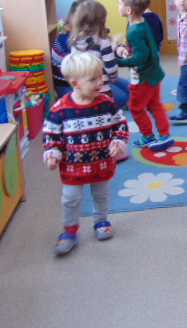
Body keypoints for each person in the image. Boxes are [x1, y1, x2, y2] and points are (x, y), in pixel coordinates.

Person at [43, 52, 129, 256]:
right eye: (93, 79)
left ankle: (101, 221)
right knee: (70, 199)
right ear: (75, 83)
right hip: (72, 167)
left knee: (101, 194)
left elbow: (120, 125)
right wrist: (52, 154)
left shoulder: (107, 103)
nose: (100, 82)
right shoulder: (60, 109)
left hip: (102, 163)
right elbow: (51, 135)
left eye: (100, 76)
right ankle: (70, 230)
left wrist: (118, 142)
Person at [115, 0, 175, 151]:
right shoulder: (141, 22)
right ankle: (165, 135)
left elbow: (142, 57)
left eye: (119, 3)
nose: (117, 6)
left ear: (129, 10)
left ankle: (148, 136)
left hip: (142, 77)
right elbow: (145, 48)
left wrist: (119, 61)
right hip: (154, 73)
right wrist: (127, 50)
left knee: (135, 108)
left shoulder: (134, 30)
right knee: (155, 105)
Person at [68, 0, 130, 109]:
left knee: (89, 110)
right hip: (101, 88)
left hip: (82, 88)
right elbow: (111, 67)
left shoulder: (75, 40)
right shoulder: (102, 41)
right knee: (106, 111)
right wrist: (113, 76)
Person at [51, 0, 83, 98]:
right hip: (68, 84)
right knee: (120, 97)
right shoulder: (70, 39)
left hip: (84, 79)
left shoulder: (82, 35)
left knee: (124, 88)